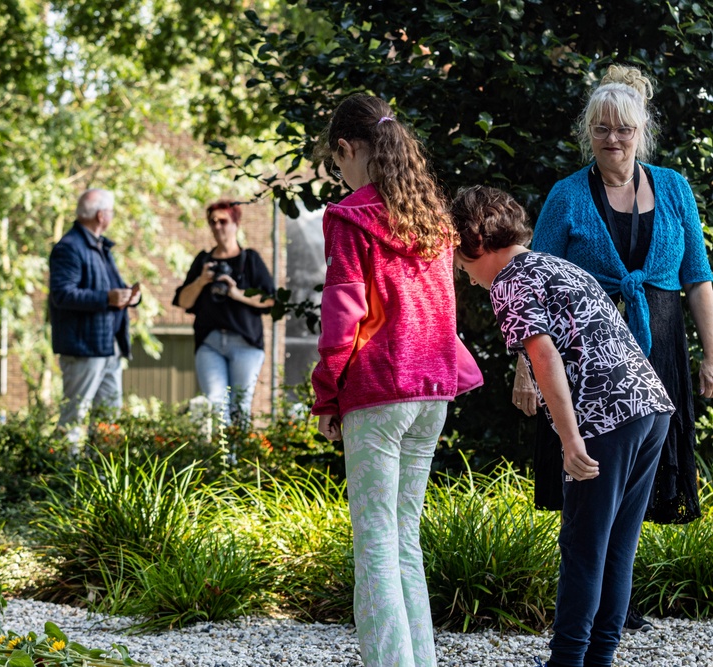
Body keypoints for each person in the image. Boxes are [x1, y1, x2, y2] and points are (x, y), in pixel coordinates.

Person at [515, 64, 713, 630]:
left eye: (623, 128)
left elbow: (698, 277)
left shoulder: (674, 188)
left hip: (660, 350)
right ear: (588, 133)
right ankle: (587, 612)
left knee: (641, 485)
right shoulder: (567, 195)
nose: (613, 138)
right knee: (590, 482)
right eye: (601, 128)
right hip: (586, 363)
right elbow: (533, 285)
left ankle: (614, 607)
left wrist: (712, 355)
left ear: (640, 130)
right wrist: (527, 369)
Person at [451, 185, 675, 667]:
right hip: (650, 406)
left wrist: (571, 441)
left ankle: (567, 661)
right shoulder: (556, 265)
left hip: (606, 416)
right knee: (617, 542)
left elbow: (545, 356)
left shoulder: (511, 280)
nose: (465, 276)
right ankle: (599, 657)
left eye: (462, 260)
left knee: (582, 544)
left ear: (476, 239)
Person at [311, 93, 480, 667]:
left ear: (348, 148)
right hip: (432, 390)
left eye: (339, 163)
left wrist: (326, 391)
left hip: (378, 392)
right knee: (404, 540)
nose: (342, 175)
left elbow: (342, 316)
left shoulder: (349, 217)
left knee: (376, 544)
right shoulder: (432, 219)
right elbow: (446, 311)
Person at [49, 188, 140, 452]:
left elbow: (112, 288)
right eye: (111, 211)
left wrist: (128, 296)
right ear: (101, 215)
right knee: (74, 418)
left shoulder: (100, 246)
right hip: (83, 349)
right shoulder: (69, 248)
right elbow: (62, 294)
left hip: (108, 346)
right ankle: (63, 480)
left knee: (108, 420)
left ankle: (99, 479)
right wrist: (107, 299)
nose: (111, 215)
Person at [172, 200, 275, 424]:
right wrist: (201, 281)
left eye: (223, 221)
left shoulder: (250, 260)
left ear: (236, 224)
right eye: (212, 222)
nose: (217, 227)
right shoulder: (204, 261)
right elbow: (182, 301)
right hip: (210, 343)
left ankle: (238, 459)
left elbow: (270, 300)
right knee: (215, 403)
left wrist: (237, 293)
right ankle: (222, 458)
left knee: (240, 405)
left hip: (246, 344)